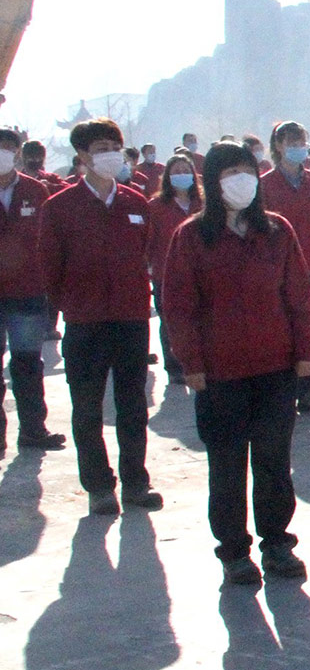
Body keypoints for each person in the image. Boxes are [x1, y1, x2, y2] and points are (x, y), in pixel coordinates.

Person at [163, 142, 310, 587]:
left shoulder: (277, 231)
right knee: (227, 466)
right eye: (230, 172)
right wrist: (190, 363)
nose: (241, 180)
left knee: (273, 461)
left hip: (275, 367)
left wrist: (306, 352)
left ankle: (277, 544)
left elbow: (300, 296)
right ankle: (233, 551)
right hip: (219, 372)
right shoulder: (191, 237)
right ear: (211, 181)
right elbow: (180, 306)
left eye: (247, 170)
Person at [40, 117, 159, 514]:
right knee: (88, 408)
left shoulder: (135, 203)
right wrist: (72, 305)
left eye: (114, 146)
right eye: (100, 148)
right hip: (85, 322)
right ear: (82, 157)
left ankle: (136, 483)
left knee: (132, 406)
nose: (109, 154)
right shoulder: (59, 208)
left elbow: (146, 254)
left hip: (130, 318)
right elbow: (49, 269)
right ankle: (98, 487)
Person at [260, 122, 310, 415]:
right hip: (279, 270)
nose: (298, 146)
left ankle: (308, 389)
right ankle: (281, 389)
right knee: (281, 329)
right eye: (291, 141)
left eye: (302, 140)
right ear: (278, 145)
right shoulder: (265, 184)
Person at [0, 129, 62, 455]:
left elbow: (49, 240)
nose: (3, 154)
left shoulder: (35, 190)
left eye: (9, 149)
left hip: (27, 292)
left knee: (27, 364)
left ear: (19, 153)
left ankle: (34, 430)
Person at [146, 153, 203, 386]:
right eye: (176, 171)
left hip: (200, 272)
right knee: (170, 321)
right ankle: (174, 366)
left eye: (185, 170)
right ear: (167, 177)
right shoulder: (156, 206)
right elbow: (149, 242)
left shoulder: (203, 202)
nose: (182, 175)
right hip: (165, 273)